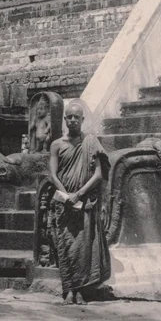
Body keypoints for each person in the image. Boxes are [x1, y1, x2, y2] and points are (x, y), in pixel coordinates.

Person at [46, 99, 111, 303]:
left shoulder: (91, 142)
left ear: (82, 120)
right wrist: (67, 195)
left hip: (84, 202)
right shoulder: (57, 145)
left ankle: (81, 289)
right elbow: (52, 175)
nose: (73, 120)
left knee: (83, 248)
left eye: (77, 117)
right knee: (66, 245)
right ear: (65, 120)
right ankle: (68, 290)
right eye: (69, 117)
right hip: (64, 203)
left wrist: (79, 194)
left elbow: (99, 174)